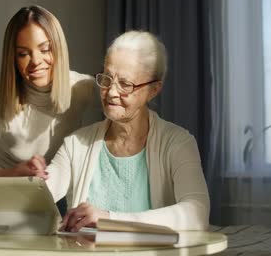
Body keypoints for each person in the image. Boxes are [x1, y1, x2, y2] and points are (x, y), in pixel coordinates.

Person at [28, 31, 210, 231]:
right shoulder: (76, 143)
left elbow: (197, 214)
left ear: (154, 89)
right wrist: (29, 179)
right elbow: (34, 201)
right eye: (106, 79)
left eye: (125, 84)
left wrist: (109, 218)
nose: (111, 92)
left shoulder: (178, 143)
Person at [0, 5, 101, 214]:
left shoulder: (80, 88)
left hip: (45, 194)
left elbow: (121, 97)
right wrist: (10, 174)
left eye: (45, 49)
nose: (36, 61)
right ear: (13, 59)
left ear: (58, 48)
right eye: (23, 54)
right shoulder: (3, 103)